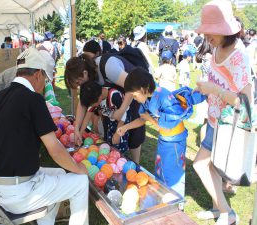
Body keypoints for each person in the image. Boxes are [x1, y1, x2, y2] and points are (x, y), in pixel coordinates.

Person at [0, 48, 89, 225]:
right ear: (38, 74)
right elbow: (56, 150)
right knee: (80, 181)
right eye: (46, 80)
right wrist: (78, 167)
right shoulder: (33, 99)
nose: (45, 86)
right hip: (19, 193)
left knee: (59, 172)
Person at [193, 1, 253, 224]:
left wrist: (213, 89)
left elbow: (242, 100)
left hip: (228, 125)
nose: (207, 35)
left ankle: (227, 213)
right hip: (214, 119)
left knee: (200, 164)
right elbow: (217, 82)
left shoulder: (239, 56)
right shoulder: (217, 48)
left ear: (224, 30)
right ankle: (220, 209)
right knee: (212, 167)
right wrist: (203, 88)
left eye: (211, 30)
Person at [117, 67, 205, 201]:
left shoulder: (164, 97)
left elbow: (167, 125)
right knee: (161, 170)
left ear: (143, 89)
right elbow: (142, 118)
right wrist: (126, 127)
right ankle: (163, 198)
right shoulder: (148, 97)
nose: (134, 99)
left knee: (173, 175)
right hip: (165, 139)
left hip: (174, 142)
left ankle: (176, 203)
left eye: (134, 96)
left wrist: (149, 118)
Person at [64, 55, 145, 163]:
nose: (80, 86)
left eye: (78, 83)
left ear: (84, 73)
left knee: (134, 134)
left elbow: (132, 86)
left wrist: (120, 112)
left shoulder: (108, 67)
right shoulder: (89, 84)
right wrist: (77, 129)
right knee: (112, 135)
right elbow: (84, 105)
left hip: (134, 94)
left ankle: (136, 164)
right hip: (115, 105)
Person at [0, 50, 55, 121]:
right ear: (38, 74)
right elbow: (17, 109)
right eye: (44, 77)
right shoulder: (19, 78)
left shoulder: (22, 72)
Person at [80, 81, 130, 153]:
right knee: (109, 140)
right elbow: (88, 116)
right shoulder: (95, 97)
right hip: (111, 119)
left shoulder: (114, 95)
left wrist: (117, 133)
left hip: (122, 122)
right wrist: (81, 133)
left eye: (94, 105)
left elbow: (124, 115)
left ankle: (121, 156)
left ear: (99, 98)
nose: (94, 107)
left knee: (119, 142)